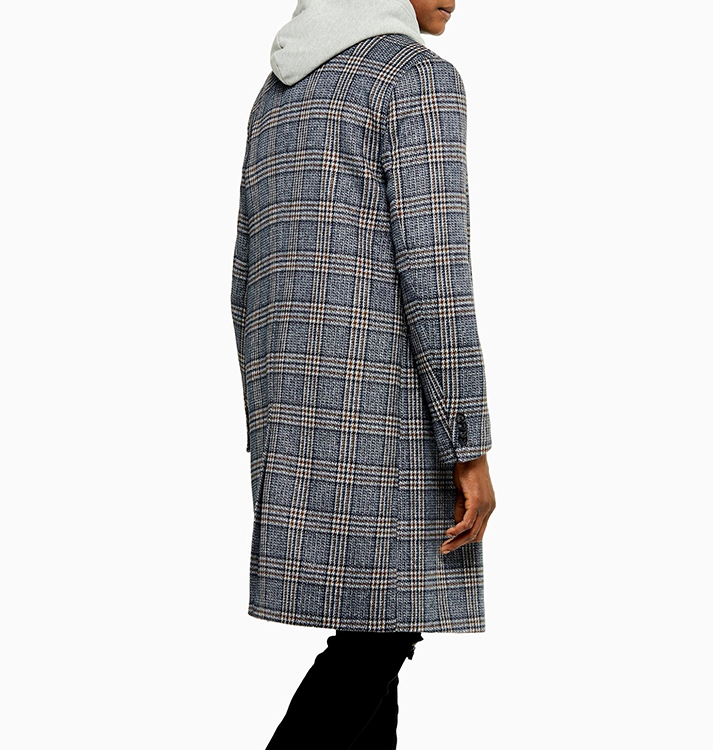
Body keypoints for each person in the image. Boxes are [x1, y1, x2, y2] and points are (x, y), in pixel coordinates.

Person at [230, 0, 496, 745]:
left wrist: (269, 423)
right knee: (380, 638)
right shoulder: (416, 78)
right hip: (391, 420)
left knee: (377, 629)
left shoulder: (277, 93)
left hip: (295, 420)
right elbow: (437, 278)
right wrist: (468, 445)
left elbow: (245, 279)